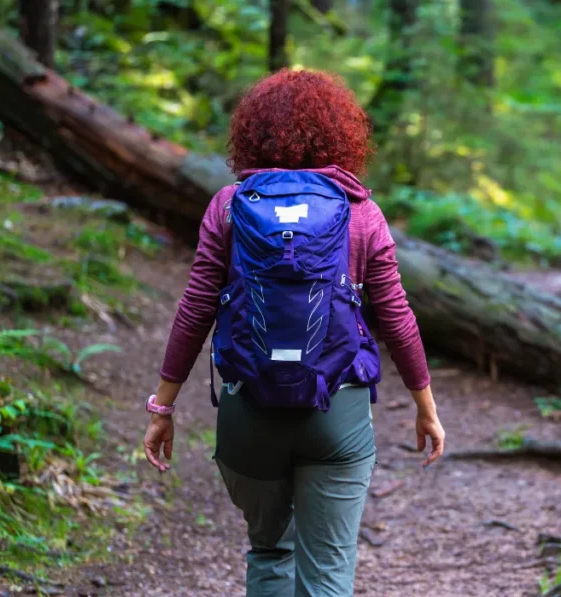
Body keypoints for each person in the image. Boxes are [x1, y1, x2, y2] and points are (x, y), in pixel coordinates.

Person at [141, 68, 446, 597]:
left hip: (248, 413)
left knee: (269, 551)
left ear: (252, 133)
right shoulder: (361, 212)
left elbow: (195, 310)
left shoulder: (229, 208)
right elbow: (395, 314)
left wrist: (163, 407)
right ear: (341, 133)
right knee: (327, 569)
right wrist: (426, 406)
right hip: (338, 411)